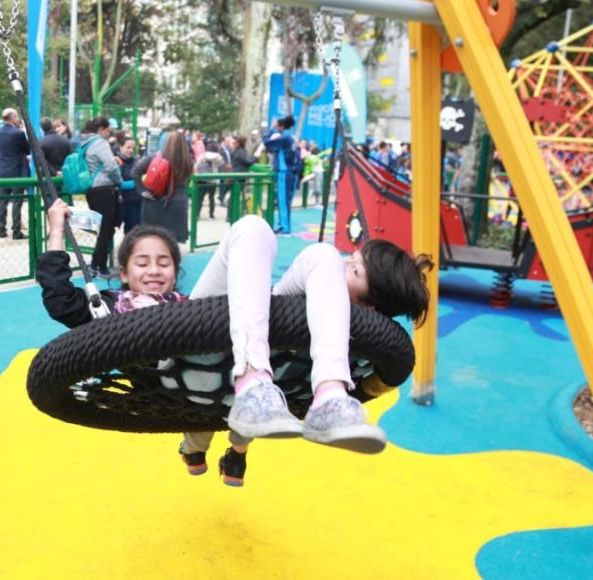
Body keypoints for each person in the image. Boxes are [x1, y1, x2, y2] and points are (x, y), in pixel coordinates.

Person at [37, 204, 431, 487]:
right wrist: (57, 229)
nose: (154, 270)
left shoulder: (356, 343)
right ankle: (244, 398)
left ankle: (328, 398)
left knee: (323, 254)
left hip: (244, 363)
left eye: (164, 263)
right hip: (179, 370)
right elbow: (61, 300)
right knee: (254, 228)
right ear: (122, 273)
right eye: (142, 264)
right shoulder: (114, 307)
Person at [78, 116, 123, 278]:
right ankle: (102, 268)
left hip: (92, 190)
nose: (109, 132)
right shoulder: (100, 143)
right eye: (108, 129)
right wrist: (119, 180)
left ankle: (95, 264)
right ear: (101, 129)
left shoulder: (84, 143)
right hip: (104, 189)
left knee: (102, 229)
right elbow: (111, 165)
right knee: (105, 230)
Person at [134, 130, 194, 244]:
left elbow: (135, 172)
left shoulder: (155, 158)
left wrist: (142, 191)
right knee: (172, 243)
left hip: (155, 202)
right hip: (178, 203)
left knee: (153, 240)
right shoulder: (187, 162)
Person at [0, 108, 31, 240]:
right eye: (16, 117)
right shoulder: (18, 133)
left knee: (3, 201)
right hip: (17, 171)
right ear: (12, 118)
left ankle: (2, 230)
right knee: (17, 201)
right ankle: (16, 231)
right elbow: (27, 150)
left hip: (3, 171)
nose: (17, 119)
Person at [260, 115, 298, 234]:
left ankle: (285, 226)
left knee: (283, 200)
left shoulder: (284, 138)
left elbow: (267, 142)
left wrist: (270, 129)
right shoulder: (290, 138)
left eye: (277, 126)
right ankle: (284, 225)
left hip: (284, 173)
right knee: (286, 200)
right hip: (290, 172)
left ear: (281, 126)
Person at [193, 141, 225, 220]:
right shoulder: (218, 157)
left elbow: (196, 166)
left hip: (201, 180)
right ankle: (211, 214)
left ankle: (197, 214)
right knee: (211, 198)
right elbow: (222, 164)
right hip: (212, 180)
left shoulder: (202, 156)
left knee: (199, 198)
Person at [115, 137, 140, 234]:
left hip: (137, 201)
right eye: (128, 147)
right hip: (123, 202)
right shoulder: (116, 161)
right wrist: (133, 184)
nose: (131, 150)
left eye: (133, 148)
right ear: (121, 147)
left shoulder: (136, 161)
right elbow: (114, 183)